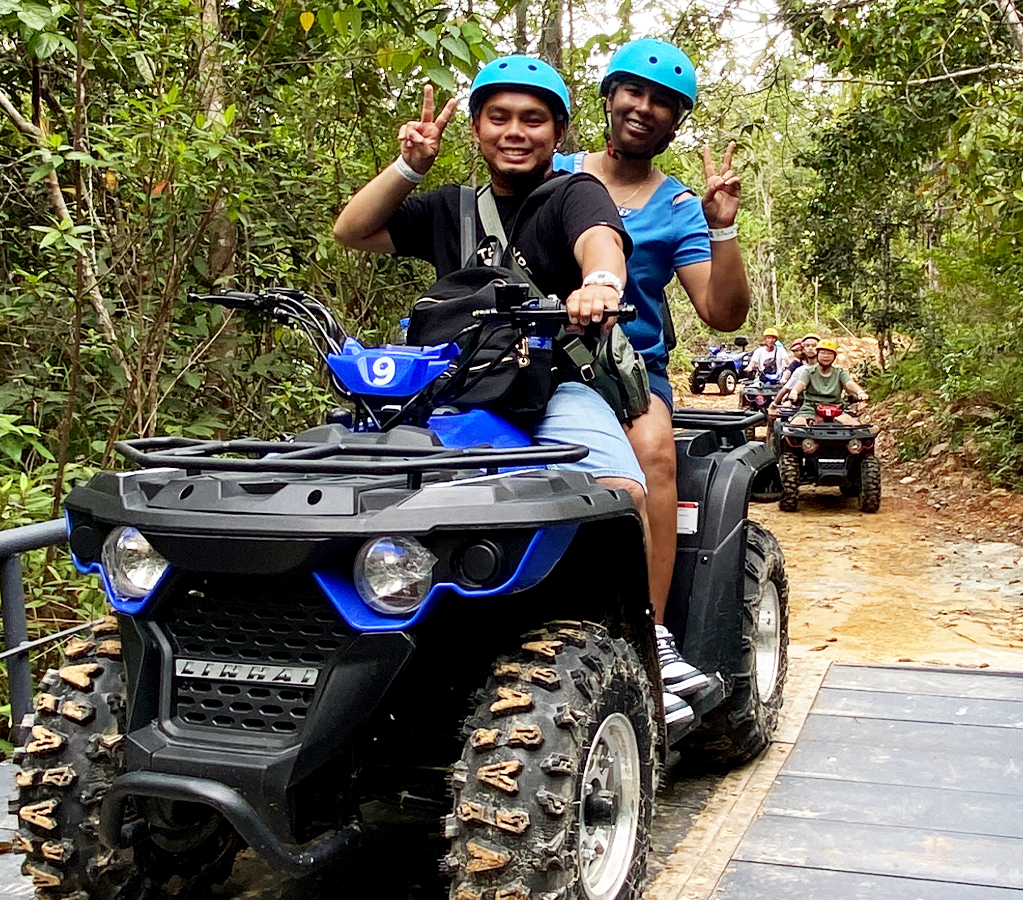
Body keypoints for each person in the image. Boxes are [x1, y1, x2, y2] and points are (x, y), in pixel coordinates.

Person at [332, 59, 695, 729]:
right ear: (476, 128)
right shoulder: (449, 210)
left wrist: (602, 285)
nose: (515, 132)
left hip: (558, 384)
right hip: (457, 390)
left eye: (533, 120)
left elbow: (601, 242)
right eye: (499, 118)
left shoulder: (574, 193)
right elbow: (352, 232)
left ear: (558, 132)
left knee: (622, 490)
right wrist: (409, 166)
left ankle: (642, 644)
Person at [551, 38, 749, 715]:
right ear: (608, 98)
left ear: (676, 121)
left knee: (653, 452)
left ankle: (652, 634)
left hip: (625, 372)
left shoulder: (679, 206)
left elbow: (722, 313)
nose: (645, 108)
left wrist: (721, 229)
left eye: (664, 102)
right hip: (527, 359)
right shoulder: (553, 170)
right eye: (634, 92)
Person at [782, 339, 871, 424]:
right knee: (796, 425)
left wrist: (860, 392)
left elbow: (849, 383)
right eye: (823, 353)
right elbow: (801, 383)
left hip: (836, 408)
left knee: (856, 428)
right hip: (811, 408)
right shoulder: (809, 372)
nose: (826, 356)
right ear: (817, 354)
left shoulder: (839, 372)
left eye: (830, 353)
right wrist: (794, 392)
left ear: (834, 357)